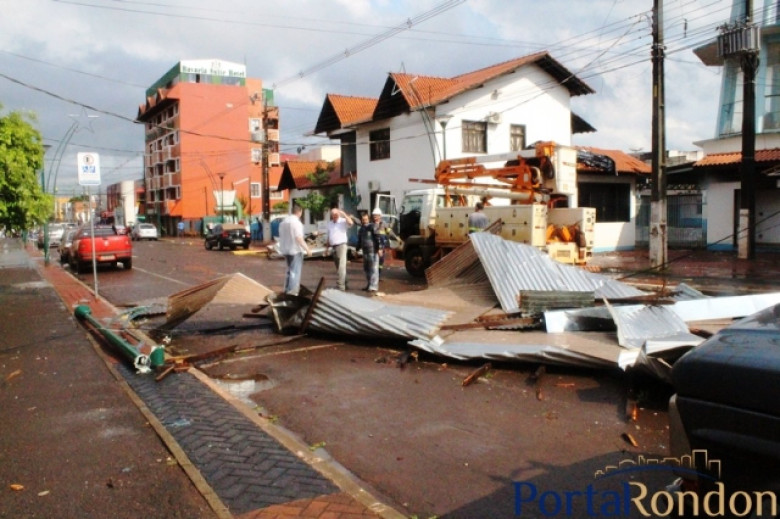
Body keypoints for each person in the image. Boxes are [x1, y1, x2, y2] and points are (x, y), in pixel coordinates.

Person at [277, 205, 310, 295]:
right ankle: (292, 292)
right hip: (295, 250)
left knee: (289, 271)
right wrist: (307, 249)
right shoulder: (296, 223)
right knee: (295, 272)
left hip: (285, 249)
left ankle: (286, 290)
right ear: (299, 212)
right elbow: (298, 238)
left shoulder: (284, 222)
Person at [326, 207, 354, 291]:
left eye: (336, 214)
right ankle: (345, 282)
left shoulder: (342, 221)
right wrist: (326, 249)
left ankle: (341, 285)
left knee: (342, 266)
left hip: (341, 245)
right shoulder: (330, 224)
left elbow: (351, 222)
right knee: (338, 267)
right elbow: (329, 236)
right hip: (333, 247)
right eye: (333, 214)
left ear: (338, 214)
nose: (335, 216)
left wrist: (344, 214)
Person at [357, 212, 381, 293]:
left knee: (373, 268)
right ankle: (369, 284)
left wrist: (379, 249)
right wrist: (357, 250)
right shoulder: (361, 229)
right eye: (363, 220)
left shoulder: (372, 227)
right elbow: (359, 240)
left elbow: (378, 238)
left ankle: (373, 286)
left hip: (373, 251)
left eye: (366, 219)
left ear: (368, 219)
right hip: (365, 252)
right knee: (366, 269)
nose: (365, 221)